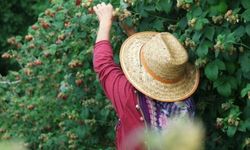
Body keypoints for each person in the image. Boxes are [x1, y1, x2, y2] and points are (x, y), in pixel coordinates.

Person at [93, 2, 200, 150]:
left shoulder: (128, 95)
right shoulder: (185, 105)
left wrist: (105, 21)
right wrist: (131, 32)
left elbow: (102, 65)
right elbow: (159, 68)